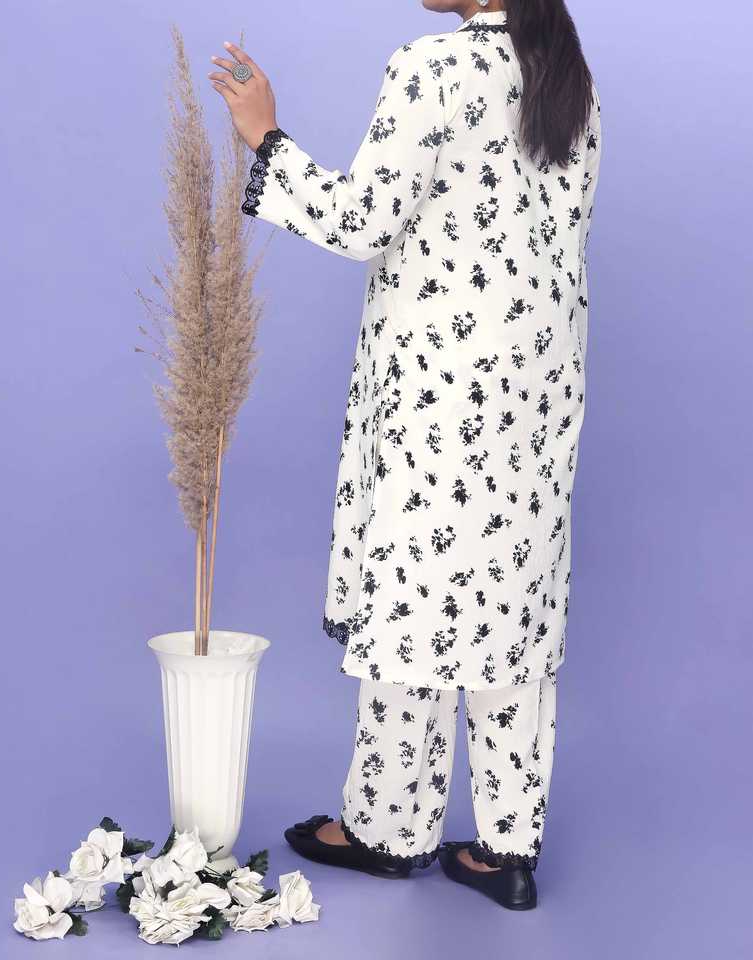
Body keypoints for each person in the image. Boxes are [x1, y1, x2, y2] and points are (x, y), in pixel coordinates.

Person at [208, 0, 601, 911]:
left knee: (415, 594)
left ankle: (390, 828)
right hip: (537, 390)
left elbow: (363, 222)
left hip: (443, 388)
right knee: (510, 602)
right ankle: (508, 848)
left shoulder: (433, 65)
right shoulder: (568, 77)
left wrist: (266, 137)